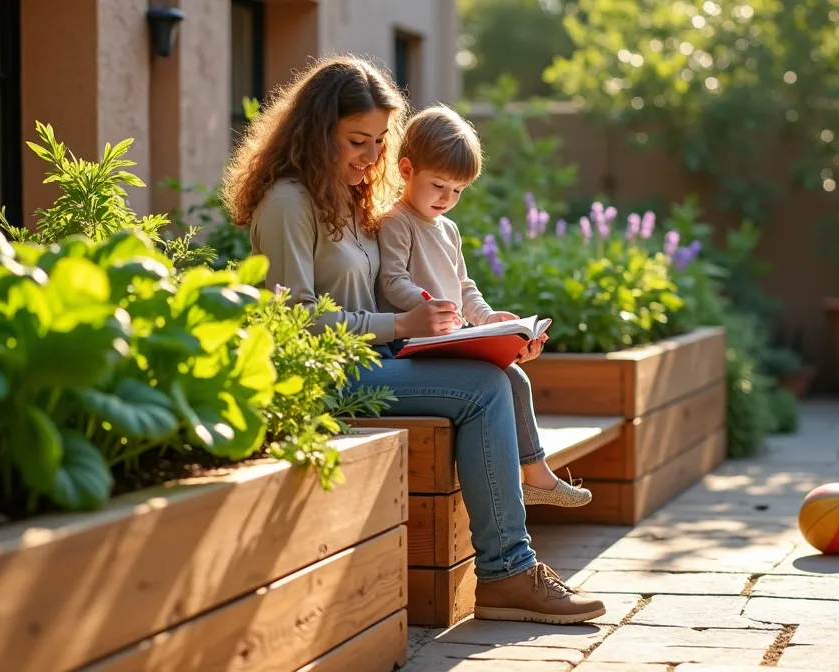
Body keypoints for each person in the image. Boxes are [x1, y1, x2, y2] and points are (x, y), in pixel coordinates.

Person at [222, 55, 606, 624]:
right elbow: (292, 323)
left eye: (379, 141)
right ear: (314, 130)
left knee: (496, 373)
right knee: (483, 389)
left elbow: (400, 285)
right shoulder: (287, 203)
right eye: (357, 140)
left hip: (379, 360)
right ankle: (507, 574)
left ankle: (508, 572)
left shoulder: (350, 201)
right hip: (326, 376)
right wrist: (402, 326)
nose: (371, 157)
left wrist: (486, 333)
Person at [376, 105, 591, 508]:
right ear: (406, 170)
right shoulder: (397, 221)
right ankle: (534, 477)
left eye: (458, 191)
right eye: (439, 185)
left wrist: (488, 318)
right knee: (503, 382)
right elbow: (391, 280)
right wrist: (426, 306)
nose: (447, 198)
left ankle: (535, 474)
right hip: (414, 344)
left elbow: (464, 286)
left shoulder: (448, 229)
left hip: (448, 337)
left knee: (516, 377)